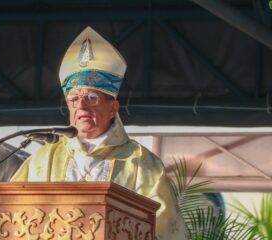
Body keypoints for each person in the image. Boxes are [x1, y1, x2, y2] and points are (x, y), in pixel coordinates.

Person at [11, 26, 188, 240]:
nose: (82, 107)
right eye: (74, 100)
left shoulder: (141, 163)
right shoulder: (44, 158)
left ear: (113, 108)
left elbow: (162, 226)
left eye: (91, 98)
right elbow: (10, 215)